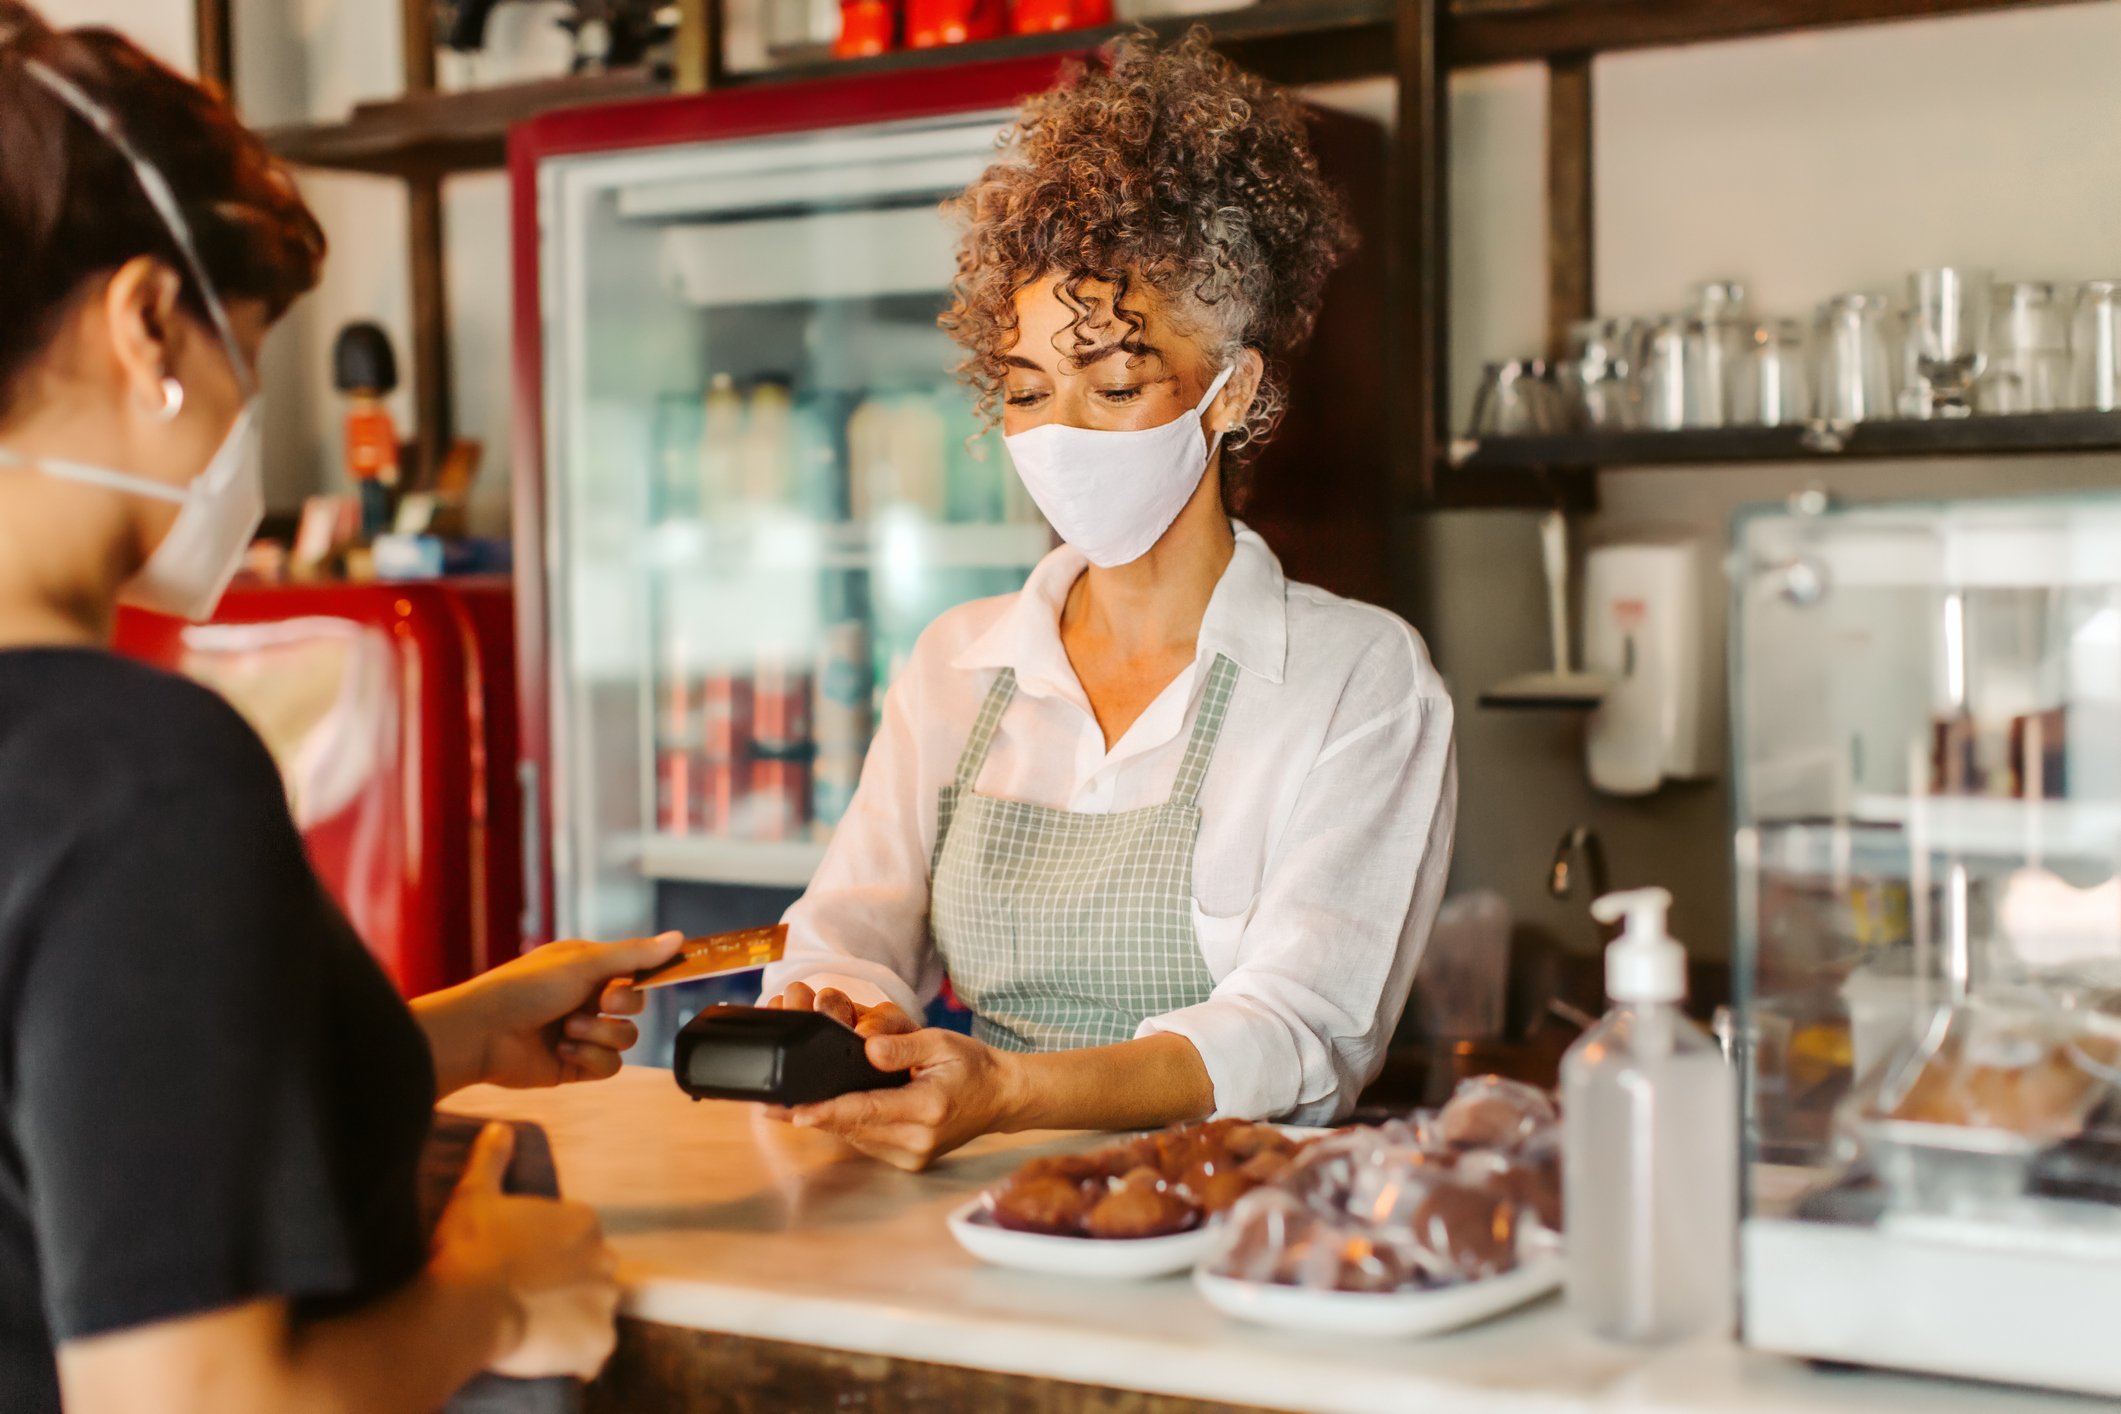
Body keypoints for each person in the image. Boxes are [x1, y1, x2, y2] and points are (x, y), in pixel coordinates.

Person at [0, 7, 682, 1410]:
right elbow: (187, 1397)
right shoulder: (139, 773)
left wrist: (435, 1037)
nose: (255, 416)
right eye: (253, 350)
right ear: (148, 324)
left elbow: (75, 1126)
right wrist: (496, 1298)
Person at [761, 33, 1458, 1172]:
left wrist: (1013, 1093)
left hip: (1226, 1225)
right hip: (971, 1219)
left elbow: (1304, 1028)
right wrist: (844, 1017)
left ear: (1229, 390)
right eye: (1029, 392)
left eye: (1118, 385)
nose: (1060, 436)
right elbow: (845, 930)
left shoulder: (1356, 681)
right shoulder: (959, 664)